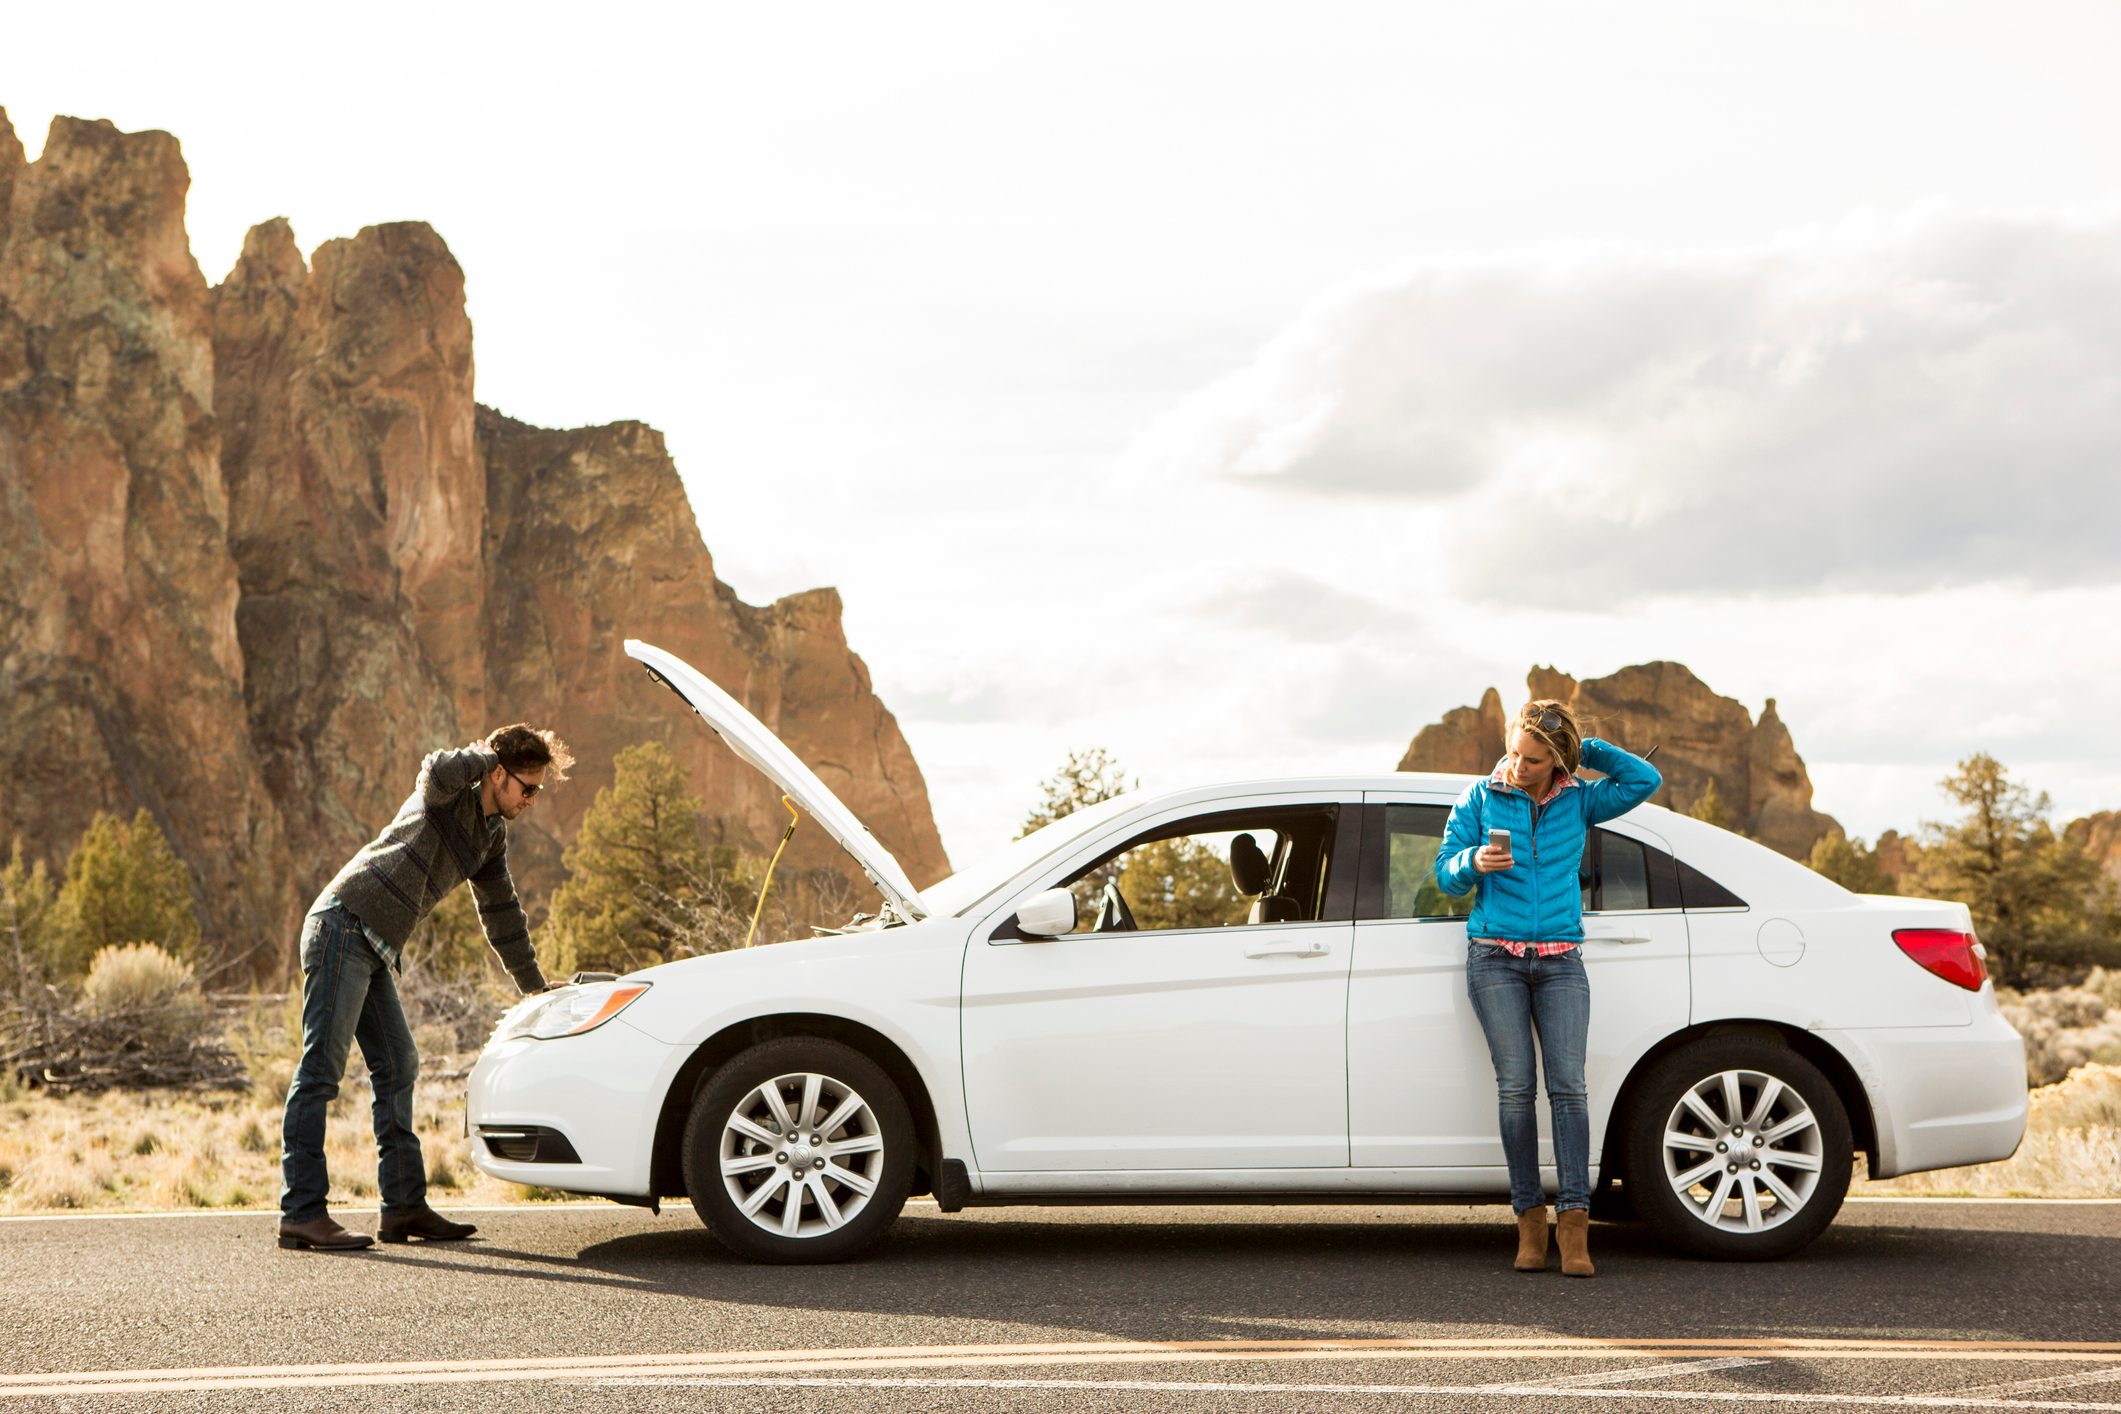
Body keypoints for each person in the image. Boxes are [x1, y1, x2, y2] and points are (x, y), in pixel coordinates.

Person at [277, 725, 574, 1251]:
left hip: (373, 945)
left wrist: (532, 985)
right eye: (527, 787)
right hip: (343, 924)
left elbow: (502, 914)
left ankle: (404, 1208)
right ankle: (301, 1212)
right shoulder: (447, 794)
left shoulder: (489, 838)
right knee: (321, 1069)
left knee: (399, 1068)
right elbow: (435, 765)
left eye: (539, 791)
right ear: (498, 774)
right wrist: (485, 755)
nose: (532, 800)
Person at [1434, 700, 1659, 1277]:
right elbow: (1442, 872)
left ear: (1558, 760)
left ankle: (1575, 1226)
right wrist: (1473, 862)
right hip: (1495, 959)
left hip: (1561, 961)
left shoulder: (1581, 801)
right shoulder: (1480, 797)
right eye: (1513, 752)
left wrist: (1587, 750)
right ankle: (1528, 1221)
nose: (1518, 766)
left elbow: (1644, 779)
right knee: (1516, 1089)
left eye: (1533, 759)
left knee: (1569, 1090)